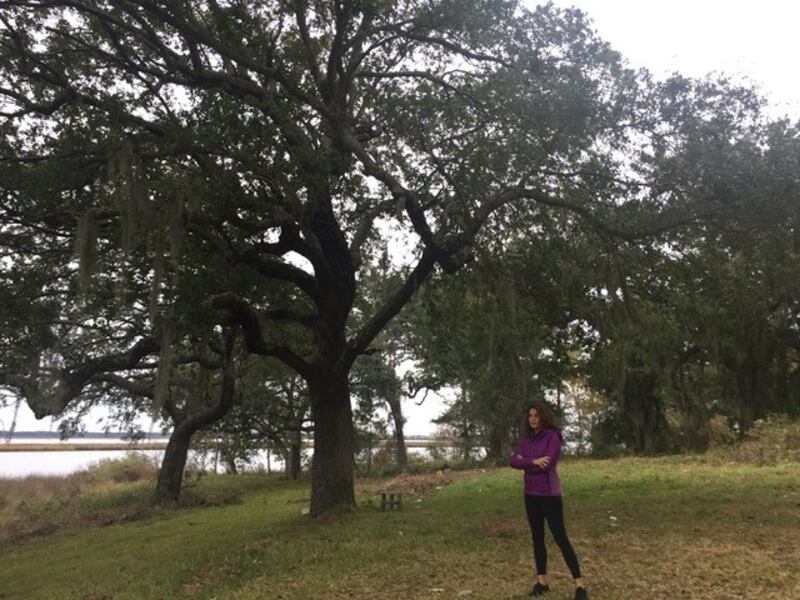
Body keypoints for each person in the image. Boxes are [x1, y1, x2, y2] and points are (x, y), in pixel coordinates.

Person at [510, 403, 588, 599]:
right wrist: (534, 461)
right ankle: (542, 582)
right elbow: (513, 461)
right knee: (537, 537)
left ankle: (579, 585)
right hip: (530, 494)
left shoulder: (553, 437)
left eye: (536, 415)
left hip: (549, 494)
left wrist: (526, 462)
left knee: (560, 537)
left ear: (543, 417)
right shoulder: (526, 439)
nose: (533, 419)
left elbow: (549, 463)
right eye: (530, 416)